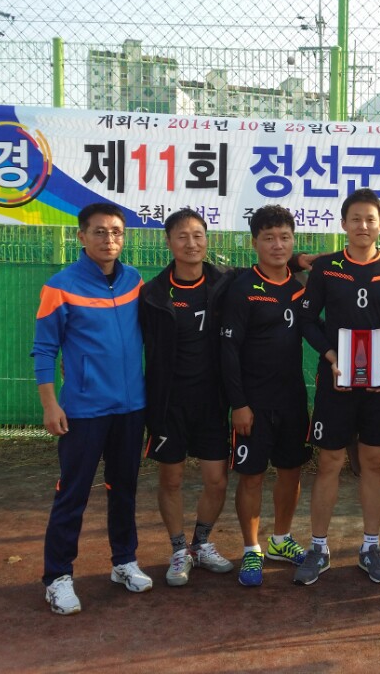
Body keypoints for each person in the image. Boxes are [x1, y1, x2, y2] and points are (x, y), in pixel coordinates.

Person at [33, 202, 152, 615]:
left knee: (124, 488)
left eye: (116, 232)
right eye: (99, 232)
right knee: (73, 493)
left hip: (131, 408)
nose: (109, 239)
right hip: (83, 410)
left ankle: (124, 561)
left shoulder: (134, 280)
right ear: (81, 236)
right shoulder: (60, 286)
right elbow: (44, 349)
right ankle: (58, 577)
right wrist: (50, 404)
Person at [294, 188, 380, 585]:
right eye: (356, 219)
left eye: (370, 219)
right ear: (344, 224)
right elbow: (307, 320)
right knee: (330, 461)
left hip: (379, 382)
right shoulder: (327, 267)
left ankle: (370, 547)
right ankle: (318, 547)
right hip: (336, 380)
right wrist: (332, 357)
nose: (363, 225)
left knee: (373, 463)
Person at [139, 208, 236, 587]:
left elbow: (269, 271)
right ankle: (179, 549)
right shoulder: (152, 294)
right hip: (169, 404)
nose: (191, 243)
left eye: (198, 235)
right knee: (172, 479)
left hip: (212, 403)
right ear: (169, 242)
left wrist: (297, 261)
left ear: (207, 239)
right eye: (182, 236)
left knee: (217, 480)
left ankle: (201, 544)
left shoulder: (225, 282)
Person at [219, 205, 312, 587]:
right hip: (253, 403)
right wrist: (239, 404)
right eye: (269, 238)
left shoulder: (301, 285)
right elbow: (228, 351)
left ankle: (281, 539)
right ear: (254, 242)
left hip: (293, 400)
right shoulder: (242, 288)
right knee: (252, 476)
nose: (277, 245)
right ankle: (252, 548)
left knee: (291, 471)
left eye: (285, 237)